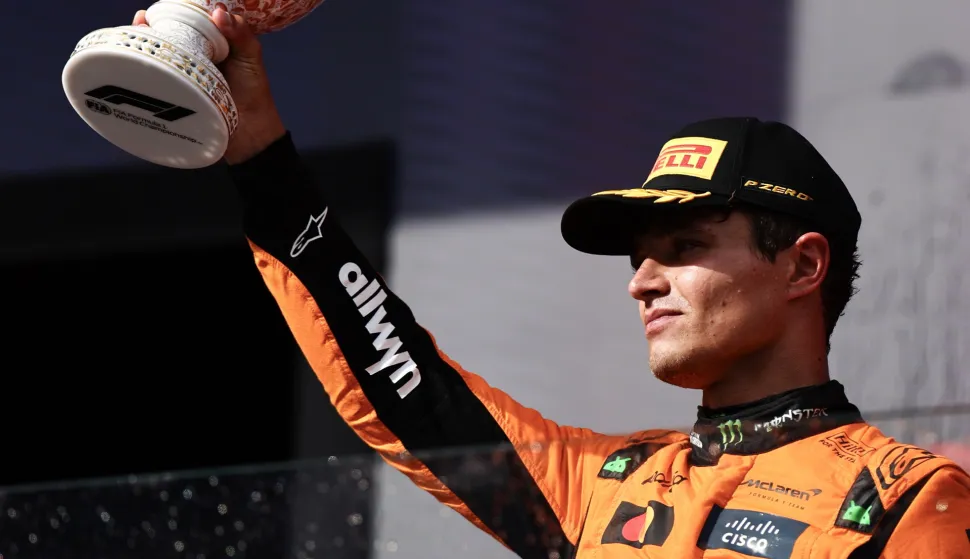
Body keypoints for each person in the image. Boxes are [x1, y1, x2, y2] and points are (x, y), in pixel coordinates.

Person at [136, 8, 970, 558]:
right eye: (637, 256)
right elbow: (409, 394)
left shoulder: (906, 499)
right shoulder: (600, 484)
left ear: (803, 265)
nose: (643, 282)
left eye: (684, 245)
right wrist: (261, 155)